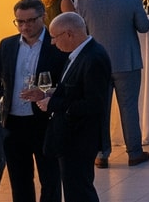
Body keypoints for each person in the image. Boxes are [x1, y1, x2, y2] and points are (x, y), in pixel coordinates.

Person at [28, 13, 111, 202]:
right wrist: (48, 94)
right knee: (75, 190)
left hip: (80, 138)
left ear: (69, 34)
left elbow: (94, 104)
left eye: (54, 37)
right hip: (71, 137)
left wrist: (53, 103)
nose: (52, 42)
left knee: (80, 192)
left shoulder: (93, 58)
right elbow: (74, 89)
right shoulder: (79, 54)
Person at [74, 0, 149, 167]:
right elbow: (144, 27)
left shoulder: (84, 3)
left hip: (97, 65)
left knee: (100, 109)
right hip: (127, 62)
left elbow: (82, 35)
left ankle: (101, 154)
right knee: (129, 108)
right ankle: (134, 153)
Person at [2, 0, 67, 202]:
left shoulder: (57, 45)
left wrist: (46, 93)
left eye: (30, 20)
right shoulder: (7, 45)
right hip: (13, 122)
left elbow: (67, 84)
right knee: (19, 181)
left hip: (44, 122)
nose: (25, 26)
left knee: (50, 179)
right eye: (20, 21)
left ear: (43, 17)